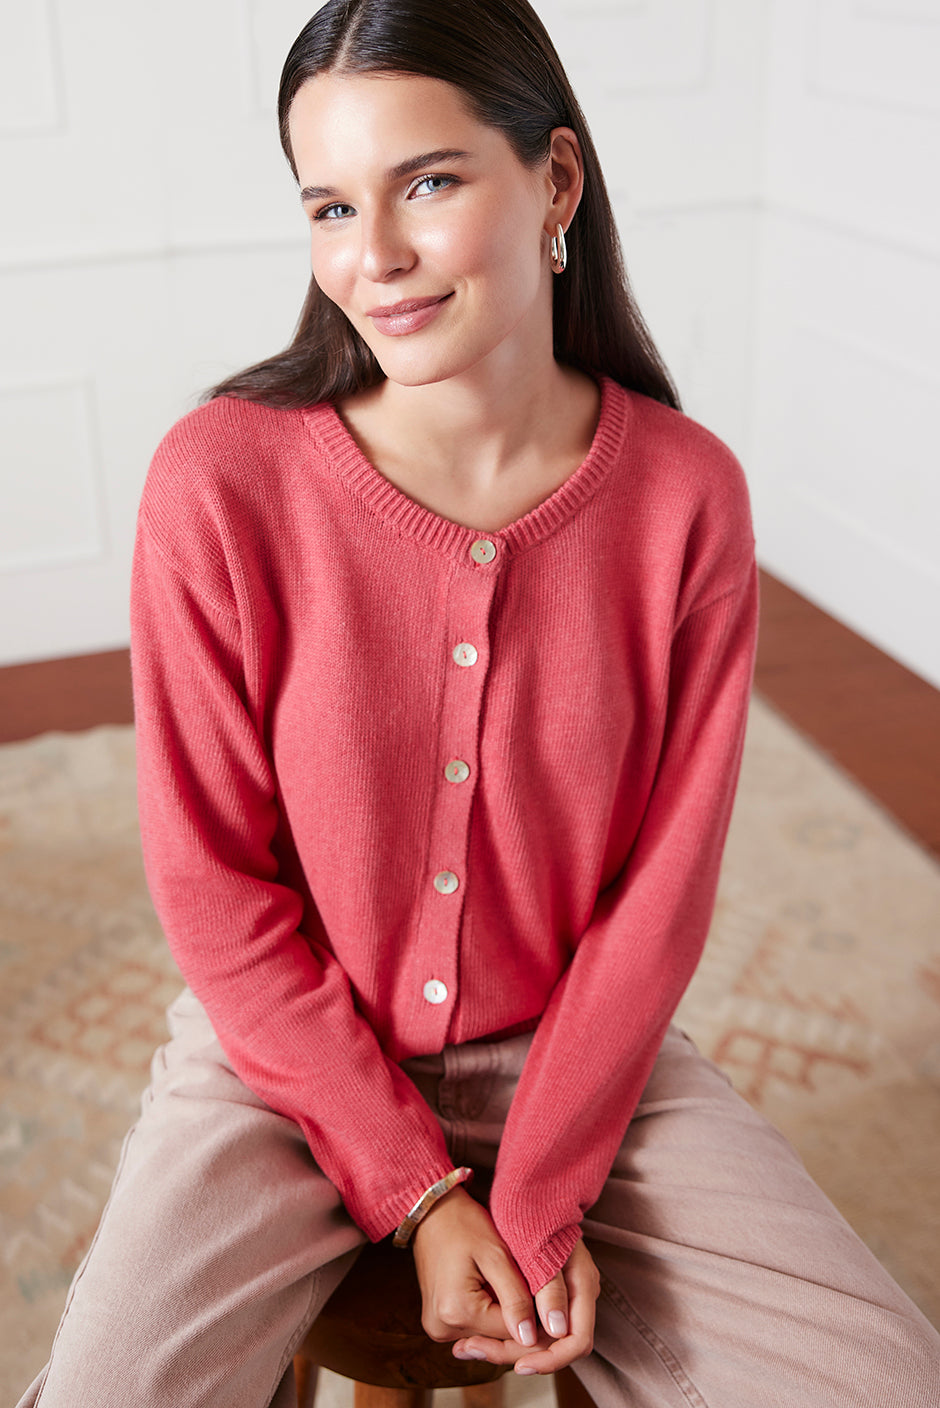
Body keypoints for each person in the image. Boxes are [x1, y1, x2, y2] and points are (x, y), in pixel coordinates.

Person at [17, 1, 940, 1404]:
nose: (373, 256)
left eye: (429, 183)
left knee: (883, 1379)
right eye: (331, 206)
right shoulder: (219, 483)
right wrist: (417, 1191)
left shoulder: (686, 497)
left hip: (579, 1054)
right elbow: (212, 888)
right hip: (286, 1059)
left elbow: (661, 895)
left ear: (555, 180)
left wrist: (545, 1191)